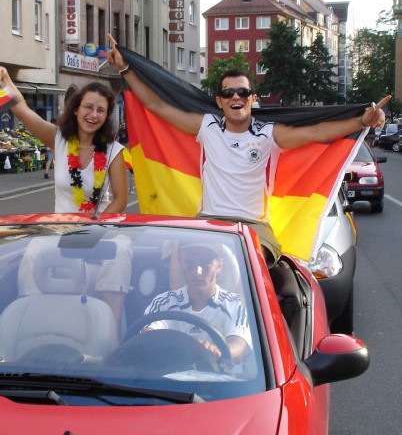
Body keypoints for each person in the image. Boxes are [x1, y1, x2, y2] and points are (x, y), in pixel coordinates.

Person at [107, 35, 389, 266]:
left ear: (253, 99)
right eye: (228, 93)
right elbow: (156, 106)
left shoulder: (269, 135)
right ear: (219, 101)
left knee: (252, 268)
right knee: (178, 264)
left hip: (254, 226)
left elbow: (316, 133)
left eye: (242, 92)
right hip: (210, 221)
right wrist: (125, 70)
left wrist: (361, 121)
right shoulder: (207, 127)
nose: (236, 97)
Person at [0, 66, 130, 334]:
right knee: (31, 254)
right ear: (76, 109)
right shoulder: (59, 140)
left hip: (100, 228)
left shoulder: (113, 150)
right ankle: (32, 325)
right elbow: (23, 111)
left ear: (107, 116)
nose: (93, 115)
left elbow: (121, 200)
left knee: (120, 254)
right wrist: (5, 79)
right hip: (60, 228)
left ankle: (110, 334)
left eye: (101, 110)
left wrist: (94, 228)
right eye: (88, 107)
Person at [143, 242, 253, 370]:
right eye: (190, 264)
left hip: (223, 385)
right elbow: (147, 338)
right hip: (168, 384)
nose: (197, 272)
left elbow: (239, 347)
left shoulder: (236, 304)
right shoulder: (164, 302)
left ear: (219, 266)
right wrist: (189, 349)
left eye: (205, 264)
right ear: (181, 264)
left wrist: (215, 351)